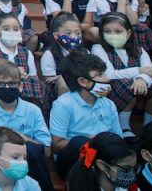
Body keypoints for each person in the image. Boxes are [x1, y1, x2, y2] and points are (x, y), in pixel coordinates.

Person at [0, 59, 53, 191]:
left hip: (29, 161)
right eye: (0, 84)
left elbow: (46, 150)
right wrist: (5, 148)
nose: (7, 88)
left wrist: (19, 139)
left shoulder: (33, 110)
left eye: (12, 83)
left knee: (32, 149)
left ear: (20, 86)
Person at [49, 50, 122, 178]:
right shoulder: (63, 104)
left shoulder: (108, 104)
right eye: (100, 75)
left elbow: (118, 137)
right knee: (80, 142)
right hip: (73, 161)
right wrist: (93, 142)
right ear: (83, 81)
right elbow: (56, 145)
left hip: (104, 157)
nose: (106, 78)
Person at [64, 132, 137, 191]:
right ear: (102, 165)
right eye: (126, 169)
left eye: (134, 169)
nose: (132, 176)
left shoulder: (130, 187)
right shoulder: (79, 186)